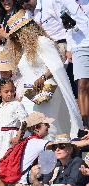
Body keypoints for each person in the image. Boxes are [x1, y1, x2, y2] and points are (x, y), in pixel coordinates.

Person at [6, 9, 83, 138]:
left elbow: (58, 66)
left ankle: (57, 154)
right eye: (13, 36)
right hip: (30, 94)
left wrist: (43, 77)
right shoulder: (24, 50)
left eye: (18, 34)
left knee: (47, 127)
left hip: (47, 90)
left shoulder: (42, 41)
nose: (16, 39)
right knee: (33, 130)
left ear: (26, 30)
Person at [24, 134, 89, 186]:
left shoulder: (77, 162)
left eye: (62, 146)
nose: (57, 149)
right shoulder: (54, 165)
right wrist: (34, 178)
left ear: (70, 149)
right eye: (55, 147)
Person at [57, 0, 89, 128]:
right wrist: (69, 48)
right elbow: (67, 28)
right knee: (82, 85)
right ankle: (86, 127)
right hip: (79, 46)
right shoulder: (64, 2)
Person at [0, 78, 28, 174]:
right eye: (6, 91)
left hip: (10, 136)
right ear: (0, 93)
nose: (10, 94)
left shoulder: (17, 105)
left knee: (6, 167)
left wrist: (18, 136)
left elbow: (25, 121)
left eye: (12, 91)